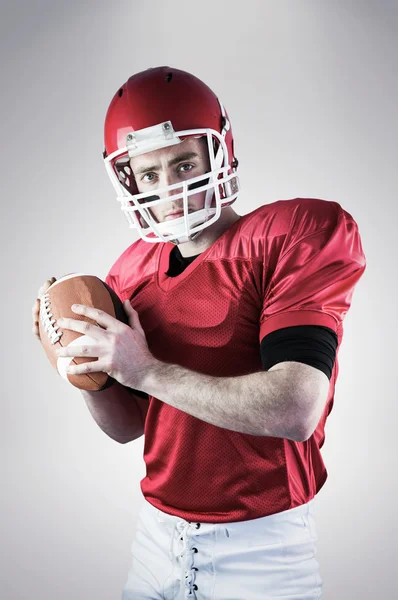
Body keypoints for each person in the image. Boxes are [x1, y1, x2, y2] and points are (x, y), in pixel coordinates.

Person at [32, 66, 366, 600]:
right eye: (150, 175)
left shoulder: (290, 236)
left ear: (219, 153)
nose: (172, 189)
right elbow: (126, 428)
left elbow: (296, 408)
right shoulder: (129, 272)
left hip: (262, 551)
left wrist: (144, 369)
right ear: (128, 181)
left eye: (183, 163)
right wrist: (85, 370)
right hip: (153, 542)